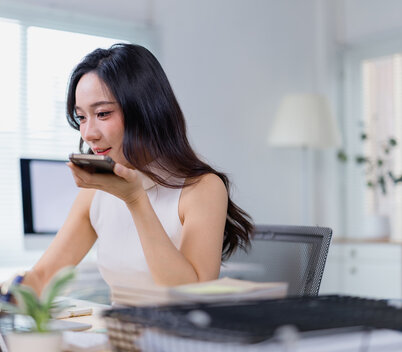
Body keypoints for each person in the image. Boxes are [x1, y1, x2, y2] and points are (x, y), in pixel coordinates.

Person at [17, 44, 253, 296]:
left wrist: (136, 200)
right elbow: (43, 278)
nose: (89, 134)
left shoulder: (201, 188)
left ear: (145, 112)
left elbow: (191, 295)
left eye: (103, 113)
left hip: (175, 333)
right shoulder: (96, 191)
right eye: (81, 117)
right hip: (118, 332)